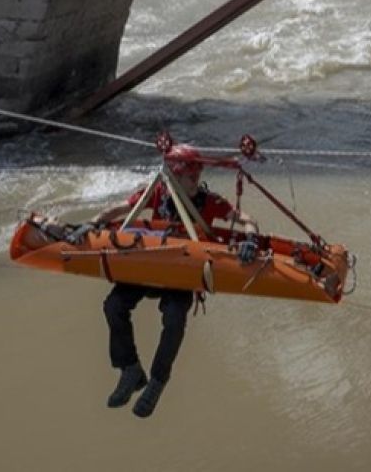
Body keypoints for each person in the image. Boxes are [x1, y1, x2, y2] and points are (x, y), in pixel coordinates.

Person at [90, 143, 256, 418]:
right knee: (114, 306)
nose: (195, 179)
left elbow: (247, 219)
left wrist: (249, 239)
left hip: (183, 271)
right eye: (189, 175)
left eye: (196, 174)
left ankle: (157, 381)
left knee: (175, 318)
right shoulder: (157, 194)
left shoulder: (210, 201)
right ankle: (130, 370)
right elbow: (120, 209)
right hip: (151, 265)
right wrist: (94, 222)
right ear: (174, 176)